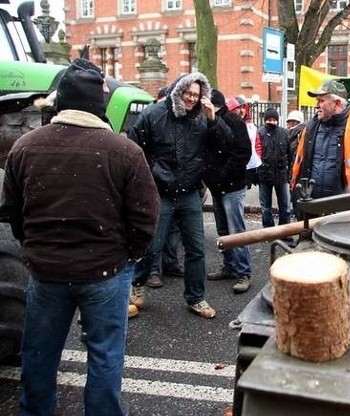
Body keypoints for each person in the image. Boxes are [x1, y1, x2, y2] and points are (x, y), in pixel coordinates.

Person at [0, 58, 160, 416]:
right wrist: (128, 255)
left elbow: (12, 210)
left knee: (39, 352)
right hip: (105, 271)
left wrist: (33, 247)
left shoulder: (25, 147)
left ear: (61, 101)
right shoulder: (124, 151)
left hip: (46, 272)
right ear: (98, 105)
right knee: (104, 355)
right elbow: (146, 216)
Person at [128, 72, 228, 319]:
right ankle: (136, 285)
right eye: (188, 94)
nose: (192, 99)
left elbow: (224, 145)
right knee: (152, 246)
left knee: (196, 249)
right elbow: (134, 148)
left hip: (189, 193)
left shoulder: (202, 118)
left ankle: (196, 298)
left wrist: (214, 120)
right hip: (160, 193)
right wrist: (152, 174)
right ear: (178, 92)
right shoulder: (154, 114)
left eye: (196, 94)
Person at [290, 79, 350, 209]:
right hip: (310, 204)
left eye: (321, 101)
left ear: (337, 103)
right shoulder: (310, 128)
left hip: (347, 208)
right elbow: (299, 163)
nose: (316, 105)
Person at [204, 89, 254, 293]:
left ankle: (244, 272)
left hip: (231, 186)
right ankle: (230, 266)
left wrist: (222, 175)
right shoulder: (208, 122)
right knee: (224, 230)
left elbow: (242, 152)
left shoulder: (234, 122)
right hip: (218, 185)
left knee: (236, 231)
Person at [148, 84, 184, 287]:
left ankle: (171, 264)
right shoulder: (152, 117)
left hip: (180, 186)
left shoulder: (181, 118)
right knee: (158, 231)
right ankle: (153, 270)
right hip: (160, 186)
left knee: (174, 230)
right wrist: (157, 173)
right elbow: (144, 150)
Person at [256, 108, 292, 228]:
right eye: (269, 119)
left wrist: (289, 173)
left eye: (274, 119)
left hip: (281, 175)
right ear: (265, 120)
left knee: (285, 206)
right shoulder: (259, 133)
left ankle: (285, 232)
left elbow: (290, 154)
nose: (272, 122)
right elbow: (256, 154)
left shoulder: (284, 133)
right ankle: (268, 231)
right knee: (266, 207)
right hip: (264, 175)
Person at [227, 96, 262, 188]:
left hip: (250, 167)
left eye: (243, 107)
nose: (242, 111)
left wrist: (258, 157)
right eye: (238, 108)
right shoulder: (227, 125)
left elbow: (257, 144)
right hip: (234, 167)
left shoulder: (251, 126)